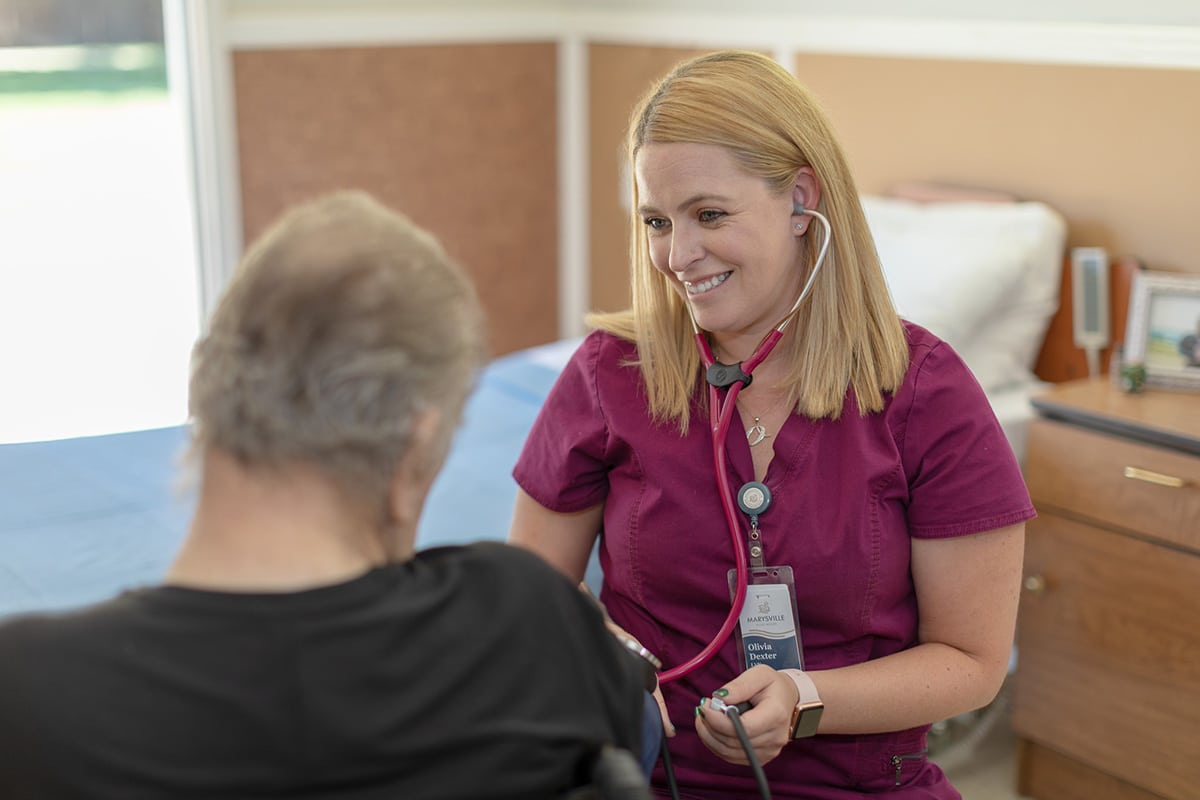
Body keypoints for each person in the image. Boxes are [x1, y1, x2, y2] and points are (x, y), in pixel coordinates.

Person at [0, 191, 650, 799]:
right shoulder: (529, 621)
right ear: (413, 451)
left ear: (203, 391)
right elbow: (638, 729)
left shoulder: (27, 691)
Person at [508, 50, 1031, 799]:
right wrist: (605, 654)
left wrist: (807, 701)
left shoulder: (926, 393)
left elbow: (972, 663)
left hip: (856, 784)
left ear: (801, 200)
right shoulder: (609, 374)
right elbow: (527, 598)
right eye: (657, 221)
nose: (678, 256)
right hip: (642, 777)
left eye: (709, 215)